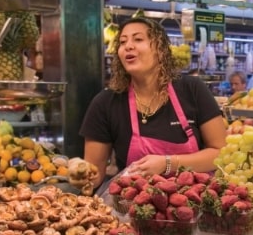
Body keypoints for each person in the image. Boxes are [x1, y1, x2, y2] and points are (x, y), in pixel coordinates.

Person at [80, 17, 227, 191]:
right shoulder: (105, 103)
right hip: (133, 209)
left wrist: (168, 164)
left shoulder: (192, 90)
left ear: (160, 49)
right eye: (122, 42)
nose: (128, 46)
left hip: (196, 205)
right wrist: (79, 177)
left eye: (138, 39)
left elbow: (221, 154)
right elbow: (93, 176)